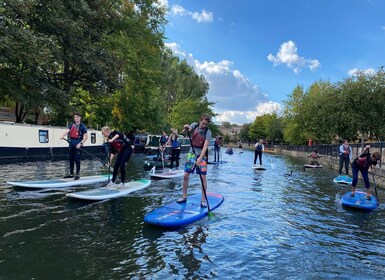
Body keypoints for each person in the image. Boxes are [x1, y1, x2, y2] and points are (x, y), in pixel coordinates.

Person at [177, 114, 212, 208]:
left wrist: (200, 158)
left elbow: (205, 147)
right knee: (185, 175)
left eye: (206, 124)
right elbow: (185, 132)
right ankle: (184, 197)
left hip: (202, 155)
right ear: (200, 120)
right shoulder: (194, 125)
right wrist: (186, 128)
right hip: (191, 154)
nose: (204, 125)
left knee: (203, 177)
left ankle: (203, 200)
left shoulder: (208, 132)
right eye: (203, 123)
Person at [60, 112, 88, 180]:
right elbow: (67, 131)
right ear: (74, 118)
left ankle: (77, 174)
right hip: (71, 142)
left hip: (78, 142)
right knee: (71, 158)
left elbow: (86, 137)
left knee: (77, 159)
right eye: (75, 117)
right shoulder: (71, 124)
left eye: (78, 117)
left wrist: (80, 144)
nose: (76, 118)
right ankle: (71, 174)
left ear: (80, 118)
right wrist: (62, 135)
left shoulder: (82, 126)